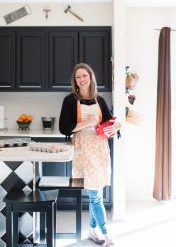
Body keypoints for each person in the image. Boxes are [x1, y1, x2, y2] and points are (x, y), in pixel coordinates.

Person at [59, 63, 121, 246]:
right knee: (94, 194)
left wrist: (117, 126)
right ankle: (106, 232)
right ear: (75, 80)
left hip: (100, 148)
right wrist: (86, 123)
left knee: (98, 191)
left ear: (90, 77)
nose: (81, 79)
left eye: (84, 75)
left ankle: (92, 230)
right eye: (78, 77)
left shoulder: (99, 99)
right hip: (84, 149)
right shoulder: (70, 100)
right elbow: (64, 128)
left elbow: (110, 122)